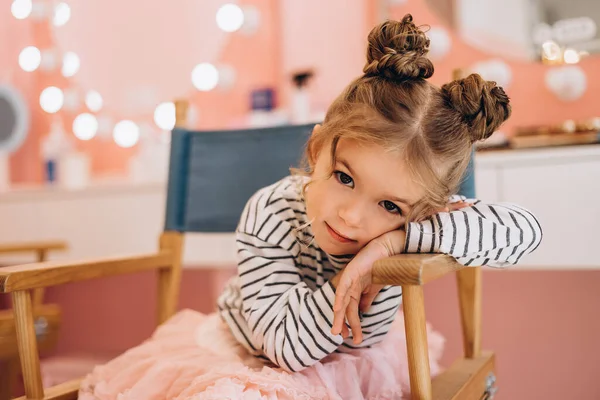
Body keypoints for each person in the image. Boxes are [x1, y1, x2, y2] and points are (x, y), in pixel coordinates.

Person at [80, 14, 542, 399]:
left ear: (422, 207)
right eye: (344, 178)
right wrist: (352, 275)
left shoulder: (416, 214)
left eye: (389, 206)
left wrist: (393, 244)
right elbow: (285, 347)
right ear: (317, 149)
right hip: (255, 359)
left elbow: (525, 233)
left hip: (359, 361)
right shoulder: (269, 213)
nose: (353, 216)